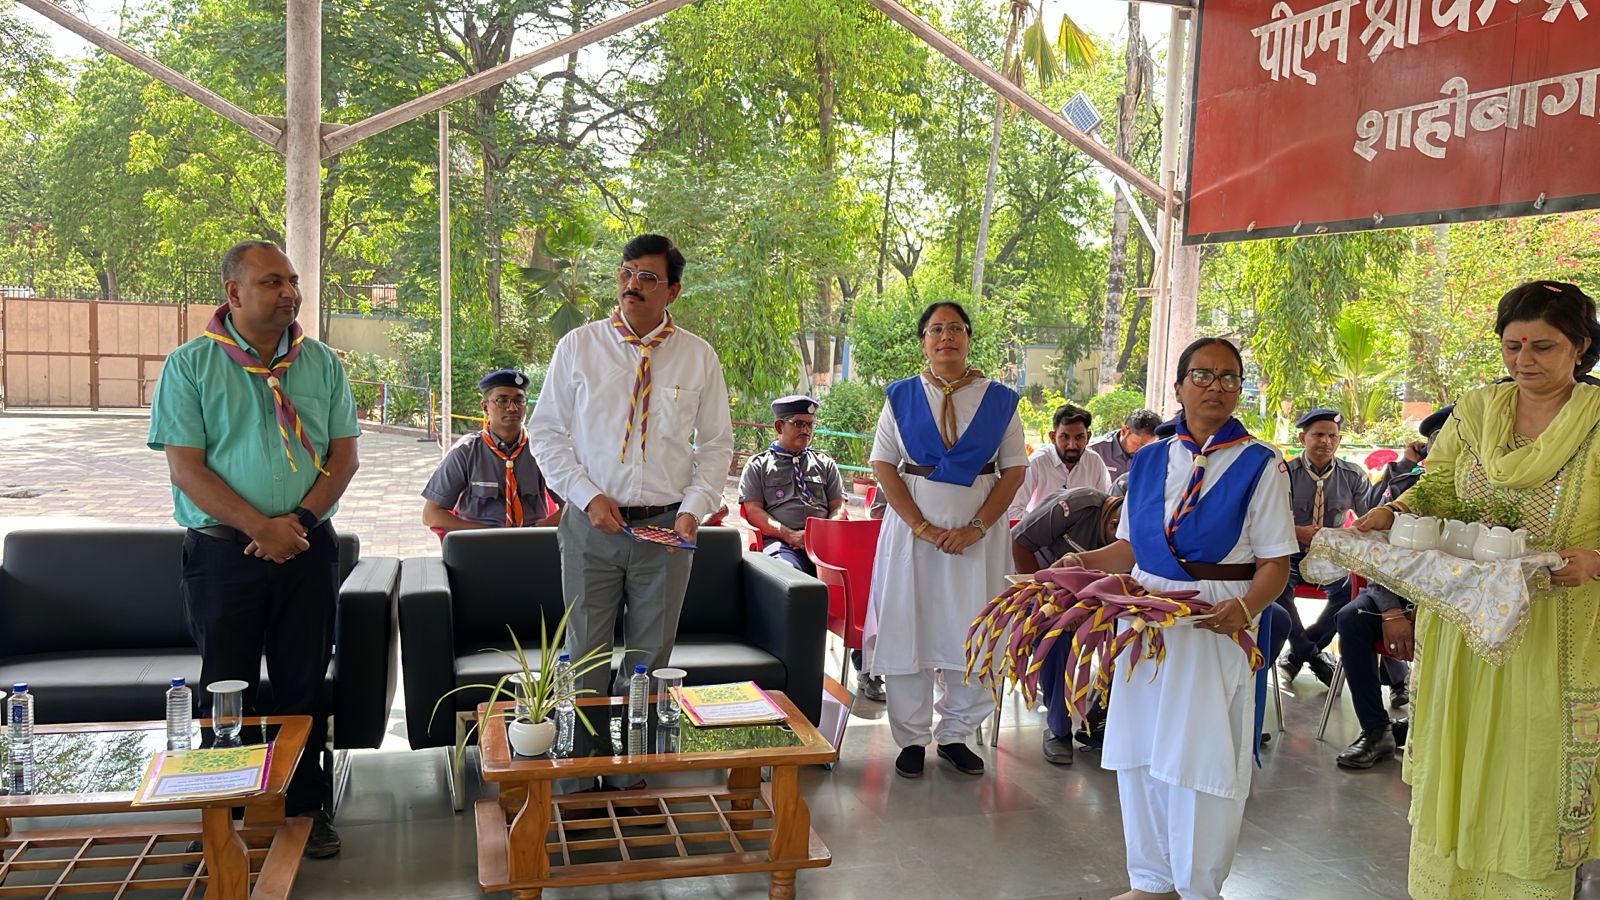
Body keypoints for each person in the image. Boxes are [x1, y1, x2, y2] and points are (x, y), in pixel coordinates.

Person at [1354, 280, 1600, 900]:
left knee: (1532, 771)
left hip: (1556, 630)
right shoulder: (1476, 410)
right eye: (1513, 346)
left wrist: (1598, 560)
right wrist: (1394, 511)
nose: (1524, 360)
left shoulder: (1597, 419)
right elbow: (1438, 487)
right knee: (1461, 763)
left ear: (1580, 347)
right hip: (1465, 624)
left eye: (1543, 346)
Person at [147, 240, 359, 859]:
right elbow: (186, 469)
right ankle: (224, 811)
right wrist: (260, 528)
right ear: (233, 292)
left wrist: (297, 522)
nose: (290, 292)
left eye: (292, 281)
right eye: (272, 282)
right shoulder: (191, 365)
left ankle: (304, 806)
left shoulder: (320, 363)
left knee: (303, 684)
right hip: (222, 556)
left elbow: (343, 455)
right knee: (225, 687)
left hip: (307, 547)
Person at [1063, 337, 1295, 900]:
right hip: (1145, 616)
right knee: (1141, 746)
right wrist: (1083, 563)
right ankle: (1151, 880)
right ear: (1178, 387)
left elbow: (1276, 563)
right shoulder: (1148, 460)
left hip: (1215, 618)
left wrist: (1245, 608)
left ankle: (1198, 887)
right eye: (1203, 375)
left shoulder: (1261, 464)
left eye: (1229, 377)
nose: (1216, 386)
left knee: (1201, 754)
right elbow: (1130, 549)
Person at [527, 234, 734, 712]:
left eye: (647, 277)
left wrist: (694, 509)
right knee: (584, 655)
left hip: (666, 529)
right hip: (590, 525)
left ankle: (636, 756)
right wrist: (586, 495)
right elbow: (546, 432)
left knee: (650, 661)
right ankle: (584, 756)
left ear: (672, 290)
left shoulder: (698, 357)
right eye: (626, 272)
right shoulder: (579, 346)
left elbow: (716, 444)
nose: (631, 284)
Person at [863, 301, 1027, 779]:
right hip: (911, 538)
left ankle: (956, 734)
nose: (946, 337)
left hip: (978, 540)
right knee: (907, 627)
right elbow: (883, 464)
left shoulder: (1000, 401)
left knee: (972, 630)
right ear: (924, 342)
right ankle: (911, 738)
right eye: (936, 329)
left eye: (956, 328)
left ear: (969, 338)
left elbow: (1014, 470)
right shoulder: (901, 397)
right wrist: (922, 526)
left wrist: (976, 527)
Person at [1332, 405, 1459, 770]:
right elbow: (1378, 557)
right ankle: (1376, 731)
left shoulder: (1491, 495)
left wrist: (1426, 609)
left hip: (1458, 602)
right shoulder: (1403, 488)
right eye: (1440, 443)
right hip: (1396, 593)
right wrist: (1390, 611)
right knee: (1352, 618)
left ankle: (1429, 726)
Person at [738, 395, 880, 700]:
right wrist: (789, 535)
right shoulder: (758, 466)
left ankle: (867, 668)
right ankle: (788, 665)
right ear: (779, 426)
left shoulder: (824, 463)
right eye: (798, 423)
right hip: (781, 543)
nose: (806, 430)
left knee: (864, 585)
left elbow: (838, 506)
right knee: (788, 581)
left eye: (810, 425)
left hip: (825, 547)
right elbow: (753, 510)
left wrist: (825, 531)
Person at [1275, 408, 1375, 686]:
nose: (1326, 442)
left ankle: (1299, 653)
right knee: (1275, 588)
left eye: (1332, 436)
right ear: (1302, 438)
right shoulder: (1283, 473)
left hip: (1331, 554)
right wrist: (1297, 531)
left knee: (1352, 594)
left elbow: (1369, 520)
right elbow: (1266, 518)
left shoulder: (1353, 476)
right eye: (1318, 435)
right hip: (1290, 550)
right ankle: (1313, 655)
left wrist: (1338, 536)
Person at [420, 369, 561, 533]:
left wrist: (537, 531)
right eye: (502, 400)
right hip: (479, 542)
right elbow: (431, 514)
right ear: (485, 407)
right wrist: (489, 536)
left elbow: (574, 505)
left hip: (532, 540)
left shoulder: (541, 449)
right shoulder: (465, 452)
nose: (512, 408)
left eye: (519, 400)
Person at [1006, 403, 1111, 520]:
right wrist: (1046, 524)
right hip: (1041, 530)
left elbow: (1107, 506)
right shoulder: (1037, 463)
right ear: (1053, 437)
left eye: (1079, 437)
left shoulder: (1095, 462)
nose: (1072, 445)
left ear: (1088, 437)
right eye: (1065, 437)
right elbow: (1013, 510)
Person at [1089, 408, 1164, 479]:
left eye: (1149, 447)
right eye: (1139, 445)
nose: (1142, 451)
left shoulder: (1155, 454)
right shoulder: (1094, 450)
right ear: (1124, 431)